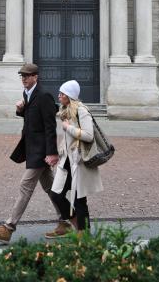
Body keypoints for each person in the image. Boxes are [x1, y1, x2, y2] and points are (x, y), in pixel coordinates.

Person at [0, 63, 73, 244]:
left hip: (41, 152)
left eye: (27, 76)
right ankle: (67, 220)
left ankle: (8, 228)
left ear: (36, 77)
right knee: (52, 189)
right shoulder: (28, 94)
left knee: (25, 185)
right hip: (32, 148)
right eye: (22, 76)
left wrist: (52, 153)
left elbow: (50, 127)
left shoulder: (44, 96)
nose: (24, 79)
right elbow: (32, 118)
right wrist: (21, 110)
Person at [45, 80, 103, 237]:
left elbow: (89, 135)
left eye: (62, 94)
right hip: (67, 160)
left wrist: (68, 128)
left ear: (69, 96)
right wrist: (58, 153)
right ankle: (76, 221)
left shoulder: (81, 111)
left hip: (80, 161)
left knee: (79, 198)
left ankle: (83, 232)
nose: (59, 95)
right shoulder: (65, 111)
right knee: (56, 194)